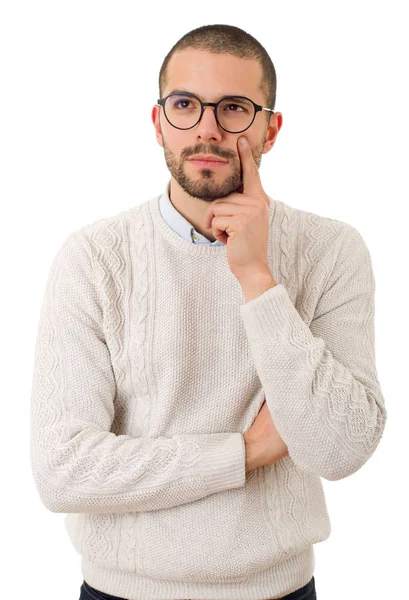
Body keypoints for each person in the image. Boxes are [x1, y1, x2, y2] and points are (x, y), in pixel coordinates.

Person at [29, 23, 387, 600]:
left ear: (270, 130)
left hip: (280, 592)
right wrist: (244, 453)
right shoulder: (93, 259)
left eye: (235, 109)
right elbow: (63, 470)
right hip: (121, 592)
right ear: (157, 123)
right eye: (186, 105)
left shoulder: (333, 250)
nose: (208, 130)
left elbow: (340, 449)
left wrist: (257, 278)